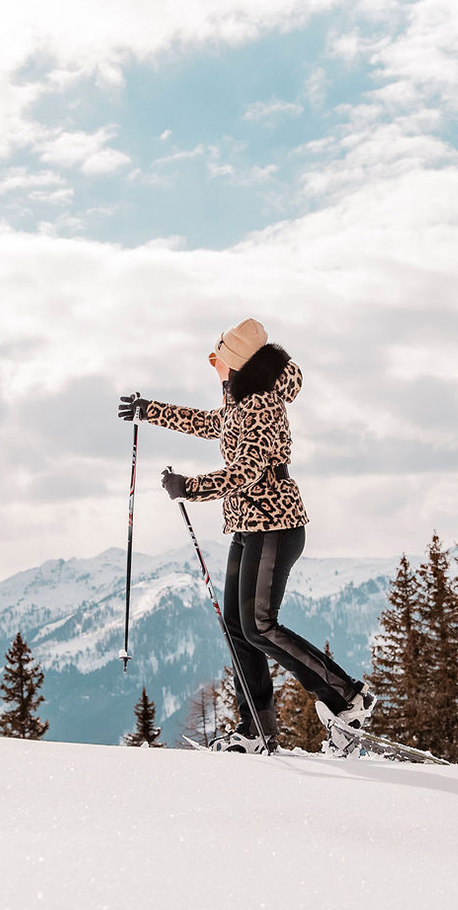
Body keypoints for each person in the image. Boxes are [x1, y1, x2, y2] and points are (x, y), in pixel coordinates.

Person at [117, 318, 373, 754]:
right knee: (239, 627)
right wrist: (151, 410)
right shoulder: (240, 400)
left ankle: (348, 697)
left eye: (217, 357)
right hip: (249, 526)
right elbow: (210, 423)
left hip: (275, 525)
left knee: (259, 625)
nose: (213, 364)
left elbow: (247, 471)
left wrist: (190, 487)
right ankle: (256, 729)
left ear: (235, 362)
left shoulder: (259, 405)